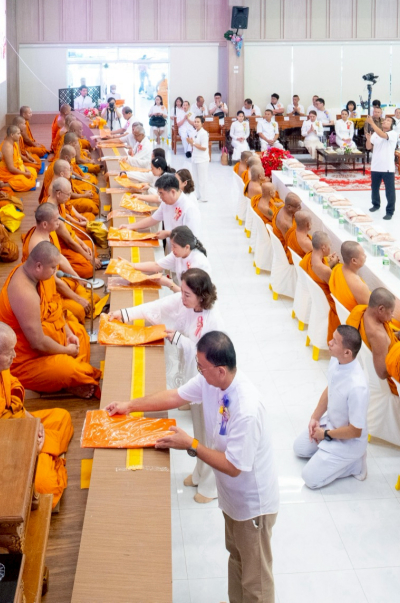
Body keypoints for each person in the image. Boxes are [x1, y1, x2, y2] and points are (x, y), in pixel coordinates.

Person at [105, 332, 279, 603]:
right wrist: (130, 406)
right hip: (232, 498)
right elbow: (175, 396)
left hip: (252, 505)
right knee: (236, 557)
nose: (198, 372)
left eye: (201, 367)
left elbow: (234, 467)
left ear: (220, 370)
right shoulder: (212, 383)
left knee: (256, 579)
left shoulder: (246, 408)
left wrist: (191, 444)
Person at [108, 269, 226, 502]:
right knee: (199, 429)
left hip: (211, 382)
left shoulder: (214, 320)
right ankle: (200, 472)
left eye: (186, 295)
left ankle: (212, 487)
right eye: (181, 292)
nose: (181, 298)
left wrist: (179, 339)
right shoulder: (185, 301)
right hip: (196, 379)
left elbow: (212, 358)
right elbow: (160, 306)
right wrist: (124, 314)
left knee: (212, 435)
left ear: (201, 296)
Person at [0, 321, 73, 510]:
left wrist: (32, 421)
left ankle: (46, 453)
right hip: (4, 447)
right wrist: (29, 446)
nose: (14, 356)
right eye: (9, 353)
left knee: (62, 416)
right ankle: (45, 456)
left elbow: (12, 402)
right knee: (46, 489)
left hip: (14, 423)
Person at [0, 241, 99, 397]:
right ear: (38, 266)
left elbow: (55, 307)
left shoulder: (41, 276)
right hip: (26, 359)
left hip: (50, 338)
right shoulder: (24, 293)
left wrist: (68, 332)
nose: (55, 272)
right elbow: (37, 343)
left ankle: (70, 379)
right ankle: (70, 378)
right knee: (67, 368)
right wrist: (66, 351)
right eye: (53, 268)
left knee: (79, 333)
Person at [292, 325, 369, 488]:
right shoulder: (336, 360)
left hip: (348, 441)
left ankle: (355, 465)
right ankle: (327, 453)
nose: (329, 342)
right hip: (331, 424)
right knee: (299, 448)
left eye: (334, 341)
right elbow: (330, 388)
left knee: (310, 479)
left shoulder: (357, 387)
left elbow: (355, 431)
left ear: (347, 352)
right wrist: (315, 417)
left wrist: (325, 434)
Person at [20, 203, 93, 324]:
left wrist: (77, 277)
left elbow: (59, 257)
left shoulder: (49, 232)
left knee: (82, 289)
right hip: (44, 291)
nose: (59, 223)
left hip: (56, 279)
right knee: (79, 310)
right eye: (56, 220)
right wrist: (78, 299)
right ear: (45, 224)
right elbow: (52, 281)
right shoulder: (38, 245)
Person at [348, 287, 400, 394]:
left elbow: (385, 342)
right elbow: (382, 373)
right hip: (392, 383)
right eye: (391, 312)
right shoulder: (378, 335)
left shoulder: (361, 310)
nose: (391, 317)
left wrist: (399, 335)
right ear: (380, 309)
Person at [119, 172, 201, 239]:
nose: (160, 197)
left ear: (172, 192)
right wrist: (131, 226)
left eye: (161, 193)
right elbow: (153, 219)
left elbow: (191, 237)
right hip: (173, 247)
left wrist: (169, 233)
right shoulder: (166, 203)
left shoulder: (189, 208)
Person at [129, 225, 210, 291]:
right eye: (172, 245)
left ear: (187, 247)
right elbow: (156, 265)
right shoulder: (179, 253)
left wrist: (169, 284)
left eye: (174, 246)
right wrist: (131, 265)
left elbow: (191, 296)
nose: (172, 249)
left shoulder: (198, 263)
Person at [47, 178, 99, 278]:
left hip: (68, 238)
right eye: (68, 194)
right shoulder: (52, 214)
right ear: (58, 193)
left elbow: (68, 229)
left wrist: (83, 244)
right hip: (59, 249)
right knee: (88, 269)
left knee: (91, 247)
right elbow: (69, 242)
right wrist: (89, 258)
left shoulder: (58, 203)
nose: (69, 197)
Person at [300, 232, 342, 340]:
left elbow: (320, 271)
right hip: (327, 301)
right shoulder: (325, 270)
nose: (330, 248)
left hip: (317, 297)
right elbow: (335, 291)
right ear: (323, 247)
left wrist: (330, 263)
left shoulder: (310, 255)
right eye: (329, 246)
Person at [366, 108, 398, 220]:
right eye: (385, 120)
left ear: (392, 125)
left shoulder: (393, 134)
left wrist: (372, 123)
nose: (385, 121)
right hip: (376, 165)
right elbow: (369, 147)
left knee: (389, 190)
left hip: (387, 167)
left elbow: (382, 135)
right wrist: (368, 139)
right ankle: (375, 204)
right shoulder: (375, 133)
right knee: (374, 187)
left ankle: (390, 211)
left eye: (388, 121)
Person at [329, 240, 369, 314]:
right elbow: (369, 313)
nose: (365, 256)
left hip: (340, 314)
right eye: (363, 255)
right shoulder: (359, 286)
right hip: (352, 321)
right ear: (354, 261)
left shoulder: (337, 268)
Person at [0, 124, 38, 192]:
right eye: (18, 134)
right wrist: (24, 174)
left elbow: (19, 159)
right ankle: (4, 185)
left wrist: (26, 170)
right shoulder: (7, 147)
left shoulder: (14, 143)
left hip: (16, 168)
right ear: (12, 135)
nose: (20, 135)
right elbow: (11, 168)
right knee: (27, 183)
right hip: (5, 173)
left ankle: (21, 178)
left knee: (33, 171)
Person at [188, 116, 210, 202]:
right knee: (195, 178)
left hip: (202, 159)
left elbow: (204, 147)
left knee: (202, 178)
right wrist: (190, 143)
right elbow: (192, 144)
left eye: (198, 122)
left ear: (202, 123)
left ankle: (204, 196)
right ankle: (197, 195)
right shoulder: (193, 132)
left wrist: (192, 143)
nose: (196, 123)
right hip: (195, 158)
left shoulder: (204, 133)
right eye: (195, 121)